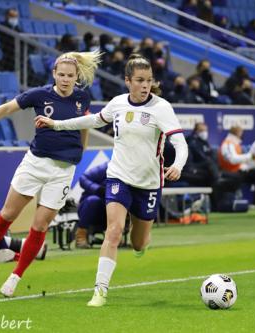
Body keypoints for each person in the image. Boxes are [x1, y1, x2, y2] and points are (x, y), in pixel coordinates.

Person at [35, 54, 188, 307]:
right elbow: (93, 120)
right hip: (119, 176)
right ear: (128, 81)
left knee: (139, 243)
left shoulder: (161, 108)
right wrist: (57, 124)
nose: (145, 85)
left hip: (149, 184)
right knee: (114, 231)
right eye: (139, 80)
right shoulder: (117, 103)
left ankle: (141, 243)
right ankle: (100, 290)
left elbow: (180, 144)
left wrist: (177, 165)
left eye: (148, 80)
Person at [0, 50, 102, 297]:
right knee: (8, 214)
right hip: (35, 163)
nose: (65, 79)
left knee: (40, 226)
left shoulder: (82, 98)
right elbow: (7, 108)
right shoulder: (39, 95)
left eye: (70, 75)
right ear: (54, 74)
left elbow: (84, 125)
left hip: (63, 170)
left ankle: (15, 277)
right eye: (61, 75)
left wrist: (82, 150)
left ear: (76, 76)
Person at [76, 162, 109, 249]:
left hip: (113, 209)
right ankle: (81, 235)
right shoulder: (107, 166)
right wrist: (98, 189)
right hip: (91, 207)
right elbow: (83, 178)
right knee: (93, 200)